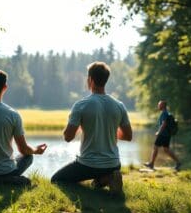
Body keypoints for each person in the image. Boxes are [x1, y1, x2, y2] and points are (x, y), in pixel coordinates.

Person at [51, 61, 132, 194]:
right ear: (105, 80)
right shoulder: (119, 105)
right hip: (113, 164)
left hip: (89, 165)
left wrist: (82, 125)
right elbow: (128, 136)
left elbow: (67, 137)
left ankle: (103, 180)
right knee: (95, 184)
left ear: (90, 80)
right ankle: (108, 178)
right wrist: (108, 131)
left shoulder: (81, 105)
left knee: (56, 179)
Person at [144, 100, 181, 171]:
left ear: (163, 106)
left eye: (159, 105)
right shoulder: (166, 113)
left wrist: (158, 132)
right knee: (166, 150)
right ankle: (178, 162)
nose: (158, 106)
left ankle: (151, 163)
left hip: (163, 134)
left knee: (155, 147)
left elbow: (164, 124)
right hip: (167, 135)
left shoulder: (164, 113)